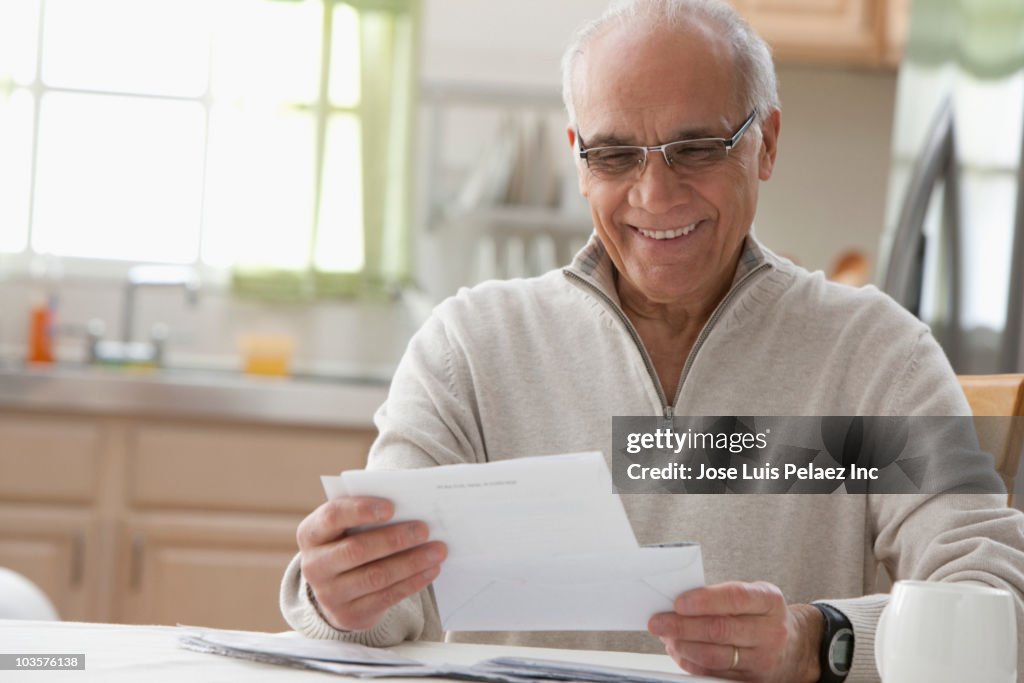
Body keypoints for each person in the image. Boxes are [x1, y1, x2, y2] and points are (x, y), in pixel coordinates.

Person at [281, 1, 1024, 681]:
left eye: (696, 147)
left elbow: (995, 600)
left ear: (764, 143)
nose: (654, 195)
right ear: (578, 158)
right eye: (614, 155)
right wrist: (343, 594)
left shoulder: (875, 355)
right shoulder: (470, 348)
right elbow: (383, 615)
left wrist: (816, 641)